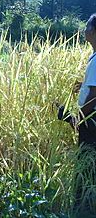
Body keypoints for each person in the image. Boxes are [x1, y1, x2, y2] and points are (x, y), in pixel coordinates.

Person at [57, 13, 96, 213]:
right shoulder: (94, 56)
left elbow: (95, 95)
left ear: (94, 31)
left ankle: (83, 208)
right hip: (90, 120)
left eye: (88, 27)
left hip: (91, 122)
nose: (85, 31)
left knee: (87, 163)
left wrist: (77, 119)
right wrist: (82, 86)